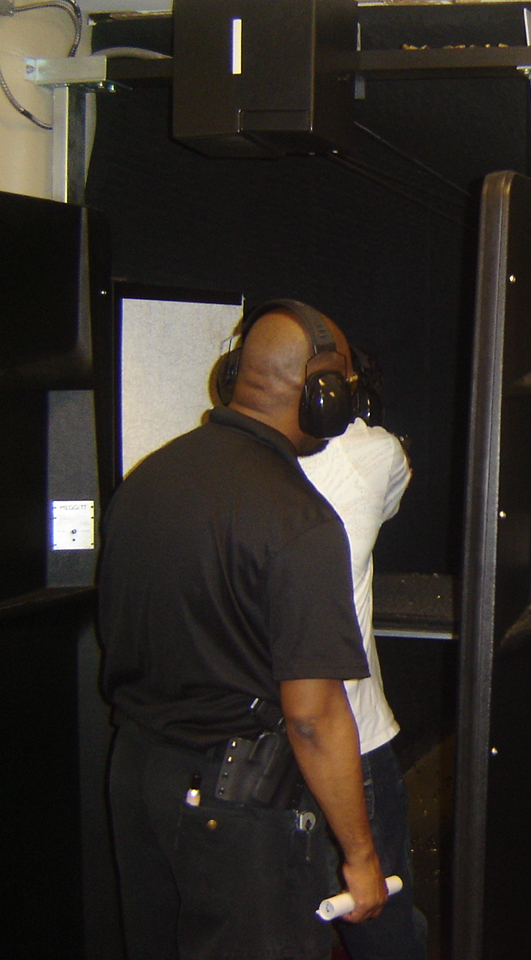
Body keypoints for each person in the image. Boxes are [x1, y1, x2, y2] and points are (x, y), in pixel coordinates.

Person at [99, 301, 388, 960]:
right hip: (234, 808)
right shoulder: (300, 522)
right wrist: (361, 855)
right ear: (324, 396)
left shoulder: (147, 482)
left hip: (138, 778)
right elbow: (313, 718)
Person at [300, 412, 427, 959]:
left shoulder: (217, 466)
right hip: (350, 737)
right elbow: (393, 495)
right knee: (382, 921)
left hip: (249, 747)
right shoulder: (370, 452)